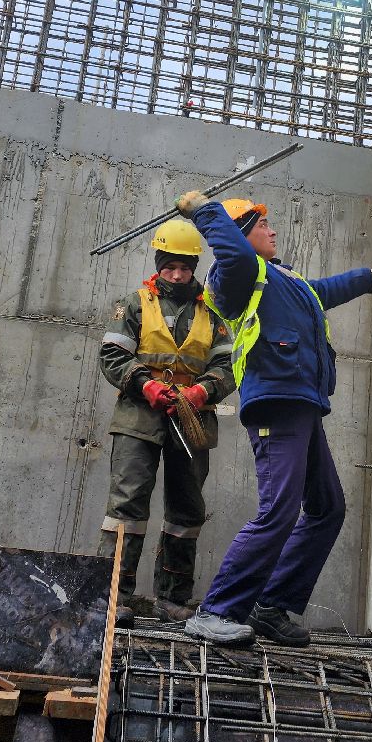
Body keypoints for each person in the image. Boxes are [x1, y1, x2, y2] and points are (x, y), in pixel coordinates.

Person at [174, 191, 372, 646]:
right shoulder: (235, 274)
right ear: (241, 234)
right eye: (263, 225)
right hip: (276, 403)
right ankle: (217, 609)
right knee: (277, 511)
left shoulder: (279, 278)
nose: (273, 230)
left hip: (302, 403)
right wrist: (205, 210)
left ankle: (272, 605)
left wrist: (369, 277)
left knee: (326, 508)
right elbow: (233, 251)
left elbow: (318, 292)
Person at [98, 218, 236, 626]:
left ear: (195, 267)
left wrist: (202, 391)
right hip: (140, 416)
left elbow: (229, 364)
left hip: (192, 420)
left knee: (186, 511)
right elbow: (113, 356)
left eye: (185, 267)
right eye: (169, 267)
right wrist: (145, 385)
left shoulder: (213, 312)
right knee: (126, 506)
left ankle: (173, 598)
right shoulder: (135, 304)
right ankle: (113, 598)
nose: (177, 275)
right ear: (159, 264)